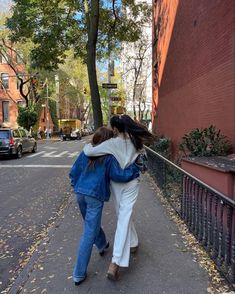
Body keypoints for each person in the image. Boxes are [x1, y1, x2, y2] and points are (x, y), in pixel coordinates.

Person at [83, 115, 154, 280]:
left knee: (122, 217)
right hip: (132, 183)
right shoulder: (136, 142)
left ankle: (115, 263)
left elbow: (89, 151)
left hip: (116, 184)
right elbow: (144, 160)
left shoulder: (111, 144)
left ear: (115, 129)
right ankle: (133, 242)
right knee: (125, 215)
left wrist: (87, 143)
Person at [69, 127, 140, 286]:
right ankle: (78, 274)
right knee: (88, 232)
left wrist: (76, 186)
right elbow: (118, 175)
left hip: (79, 194)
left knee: (90, 225)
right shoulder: (108, 156)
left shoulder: (86, 152)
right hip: (94, 196)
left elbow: (73, 172)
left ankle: (102, 244)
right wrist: (135, 170)